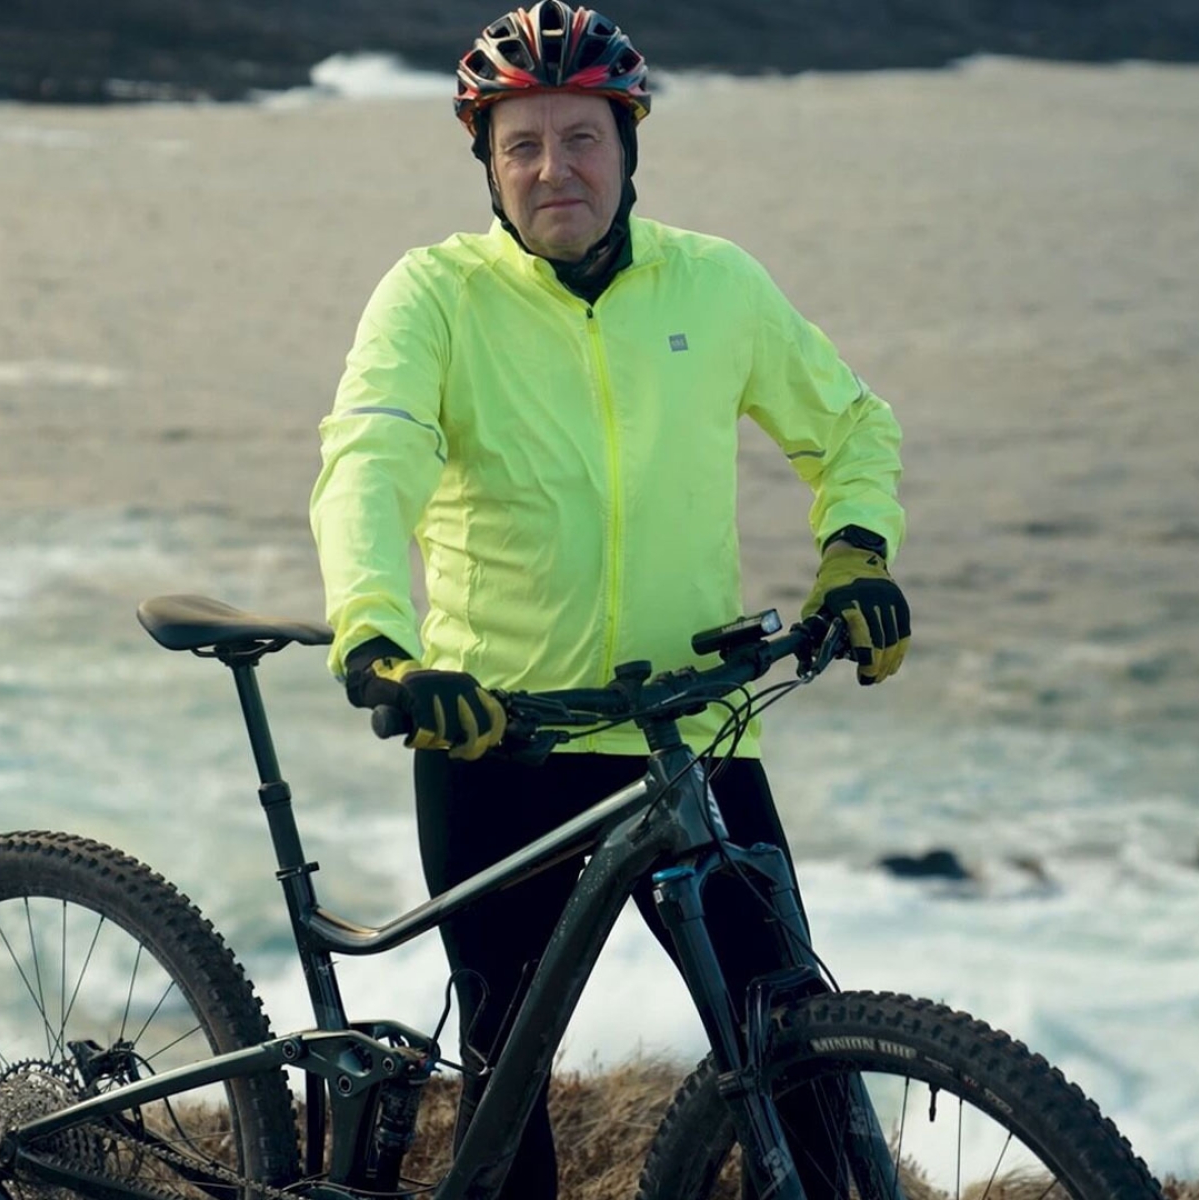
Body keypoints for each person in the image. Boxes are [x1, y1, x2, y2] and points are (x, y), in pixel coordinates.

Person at [309, 3, 910, 1195]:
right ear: (485, 163)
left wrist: (856, 551)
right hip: (501, 740)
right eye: (520, 144)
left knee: (794, 1048)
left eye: (580, 138)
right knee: (507, 1094)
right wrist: (381, 639)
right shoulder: (434, 297)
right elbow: (367, 462)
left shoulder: (717, 284)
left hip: (695, 737)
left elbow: (850, 425)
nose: (553, 170)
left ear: (628, 146)